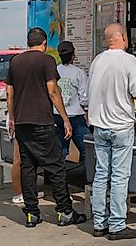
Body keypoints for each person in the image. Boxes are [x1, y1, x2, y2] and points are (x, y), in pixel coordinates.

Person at [6, 28, 86, 228]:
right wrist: (65, 119)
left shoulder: (15, 62)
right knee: (56, 167)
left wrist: (12, 118)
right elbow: (52, 91)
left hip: (22, 123)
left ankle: (32, 213)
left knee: (28, 168)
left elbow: (9, 92)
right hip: (42, 122)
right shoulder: (47, 61)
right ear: (43, 43)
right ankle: (65, 211)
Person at [88, 23, 136, 241]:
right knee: (120, 176)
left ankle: (98, 223)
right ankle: (116, 225)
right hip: (121, 126)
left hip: (99, 127)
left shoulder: (97, 60)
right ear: (123, 37)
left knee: (101, 174)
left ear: (107, 40)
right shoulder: (129, 60)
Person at [54, 41, 89, 166]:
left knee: (61, 151)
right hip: (76, 117)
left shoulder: (55, 71)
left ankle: (58, 182)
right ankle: (87, 181)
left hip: (57, 116)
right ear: (73, 55)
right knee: (87, 150)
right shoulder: (78, 73)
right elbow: (84, 98)